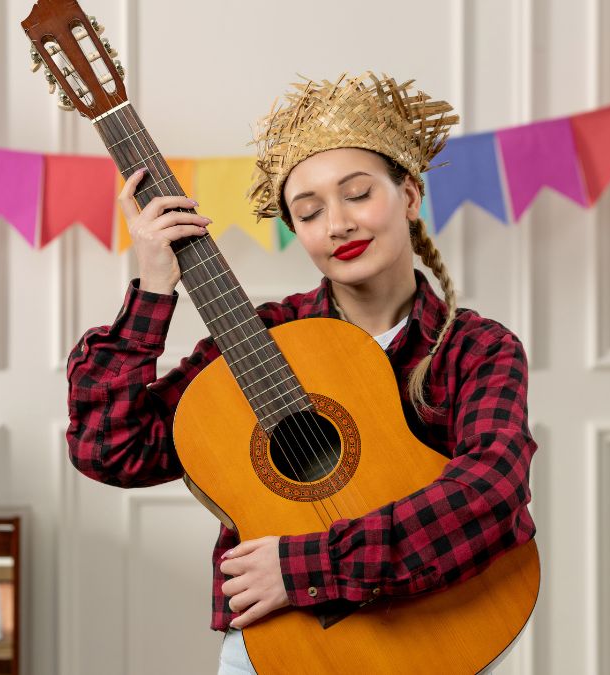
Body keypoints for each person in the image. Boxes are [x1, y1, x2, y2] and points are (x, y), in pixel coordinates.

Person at [65, 73, 538, 674]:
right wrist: (155, 286)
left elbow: (491, 492)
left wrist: (302, 568)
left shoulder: (476, 349)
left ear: (411, 196)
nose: (336, 223)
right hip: (289, 643)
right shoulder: (257, 341)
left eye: (358, 193)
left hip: (446, 633)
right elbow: (112, 450)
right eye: (309, 211)